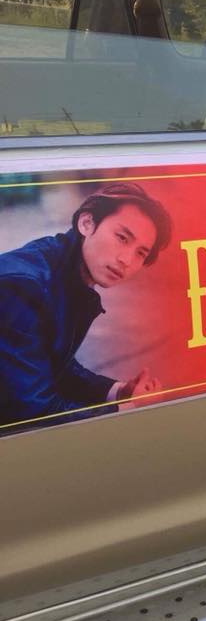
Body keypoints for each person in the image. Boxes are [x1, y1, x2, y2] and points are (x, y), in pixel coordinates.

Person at [0, 182, 172, 433]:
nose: (126, 260)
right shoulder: (24, 286)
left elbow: (53, 363)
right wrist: (127, 409)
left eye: (140, 253)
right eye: (122, 238)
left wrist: (117, 392)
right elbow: (34, 410)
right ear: (86, 223)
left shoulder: (66, 269)